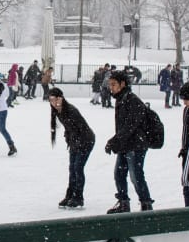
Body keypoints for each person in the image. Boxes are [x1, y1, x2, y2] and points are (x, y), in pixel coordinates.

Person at [105, 70, 155, 213]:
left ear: (123, 84)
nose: (111, 88)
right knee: (119, 174)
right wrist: (116, 141)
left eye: (114, 84)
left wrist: (114, 141)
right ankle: (123, 203)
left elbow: (130, 126)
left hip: (136, 145)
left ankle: (146, 204)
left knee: (135, 175)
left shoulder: (132, 100)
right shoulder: (121, 99)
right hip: (126, 144)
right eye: (110, 85)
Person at [49, 87, 95, 209]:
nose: (53, 103)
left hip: (86, 140)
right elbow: (69, 128)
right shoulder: (58, 111)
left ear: (61, 98)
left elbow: (83, 129)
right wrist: (69, 138)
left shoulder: (71, 110)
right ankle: (70, 195)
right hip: (75, 141)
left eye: (55, 99)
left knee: (78, 168)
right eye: (51, 100)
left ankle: (78, 197)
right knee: (72, 169)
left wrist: (77, 143)